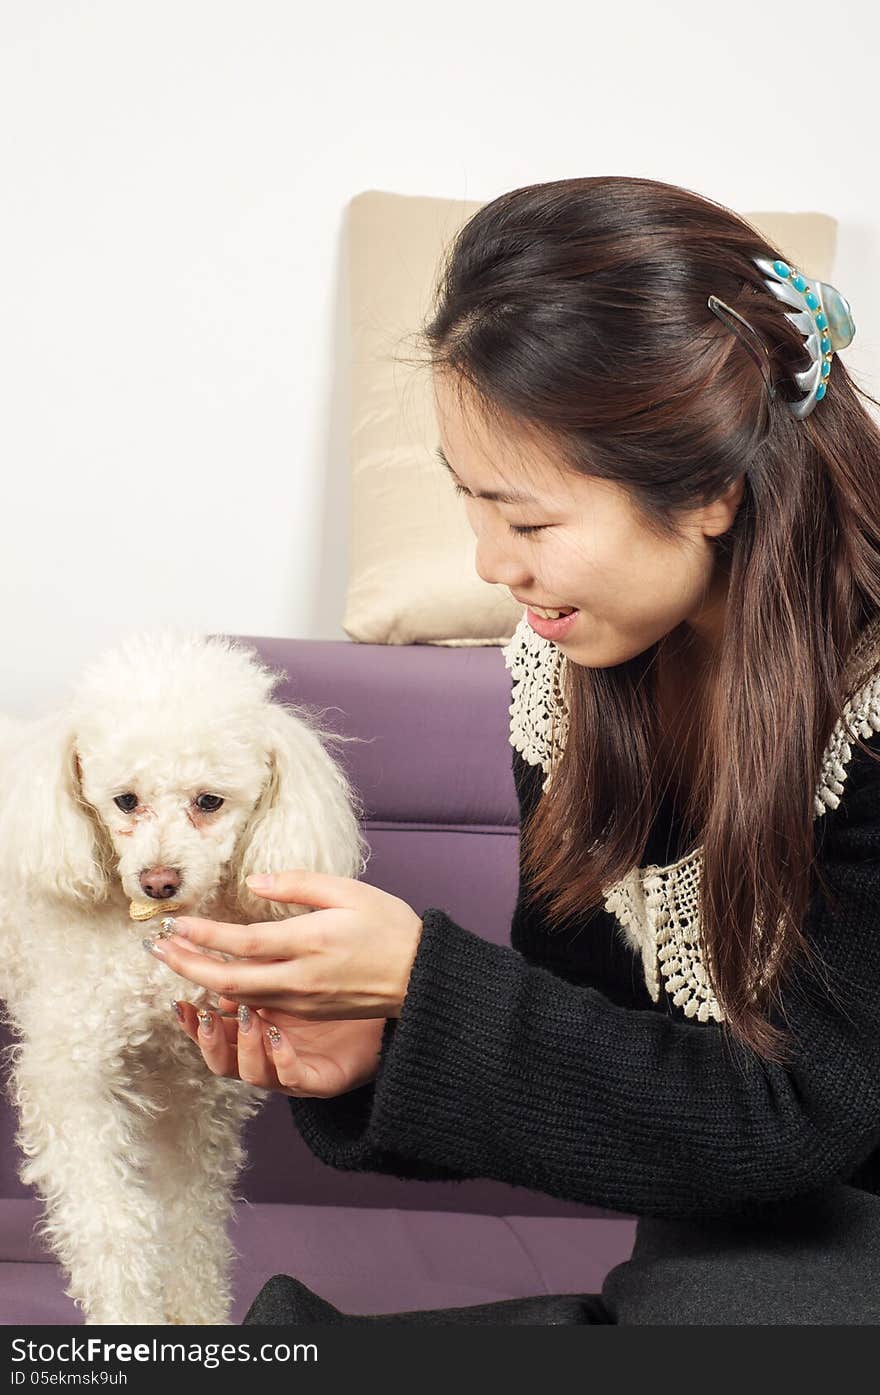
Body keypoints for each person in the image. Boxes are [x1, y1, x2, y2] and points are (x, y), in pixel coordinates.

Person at [148, 175, 880, 1325]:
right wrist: (382, 1044)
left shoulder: (868, 708)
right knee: (712, 1303)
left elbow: (801, 1119)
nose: (491, 563)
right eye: (470, 504)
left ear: (710, 492)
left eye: (530, 520)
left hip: (809, 1236)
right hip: (758, 1236)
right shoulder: (577, 668)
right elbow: (612, 1038)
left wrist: (423, 982)